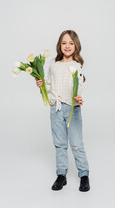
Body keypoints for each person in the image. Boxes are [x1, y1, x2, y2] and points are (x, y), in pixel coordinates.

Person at [35, 30, 90, 192]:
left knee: (76, 144)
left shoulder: (76, 65)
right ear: (59, 45)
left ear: (76, 46)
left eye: (71, 43)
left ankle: (84, 174)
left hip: (73, 108)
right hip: (56, 109)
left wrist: (78, 98)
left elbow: (78, 86)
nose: (67, 46)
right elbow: (49, 87)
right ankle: (61, 174)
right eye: (64, 42)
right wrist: (42, 86)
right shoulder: (53, 65)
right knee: (59, 144)